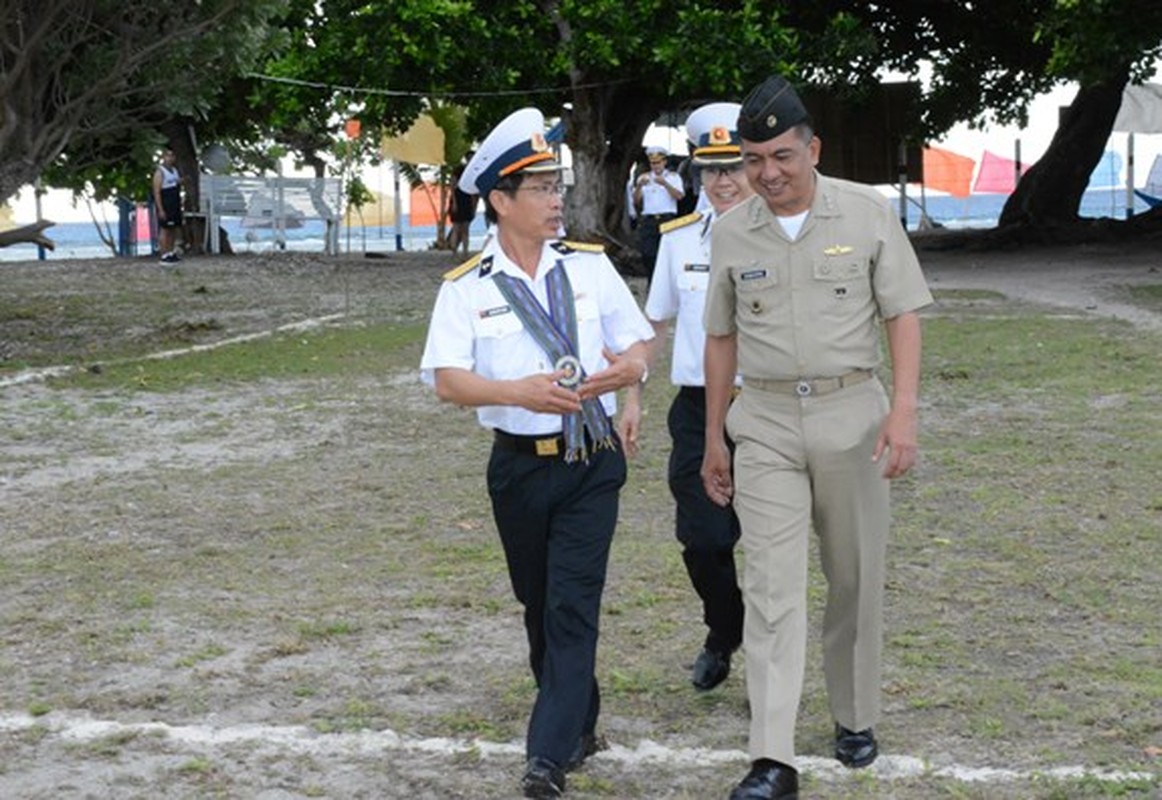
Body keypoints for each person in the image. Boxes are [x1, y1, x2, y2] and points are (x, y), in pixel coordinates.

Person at [700, 75, 934, 800]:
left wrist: (903, 412)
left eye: (781, 156)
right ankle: (772, 757)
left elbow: (903, 314)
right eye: (752, 159)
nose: (767, 173)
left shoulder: (866, 213)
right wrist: (714, 436)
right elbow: (720, 336)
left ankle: (854, 714)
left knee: (853, 577)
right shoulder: (733, 229)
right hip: (764, 423)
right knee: (771, 587)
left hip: (851, 416)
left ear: (812, 149)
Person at [419, 107, 654, 799]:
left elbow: (638, 343)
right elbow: (447, 380)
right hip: (518, 467)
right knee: (538, 602)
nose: (558, 201)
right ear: (500, 200)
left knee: (572, 606)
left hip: (592, 460)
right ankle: (577, 714)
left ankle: (546, 758)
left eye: (558, 186)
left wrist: (629, 374)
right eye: (542, 189)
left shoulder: (590, 269)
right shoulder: (466, 286)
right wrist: (515, 391)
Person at [618, 102, 749, 694]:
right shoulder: (677, 242)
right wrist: (633, 396)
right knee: (703, 540)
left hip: (766, 407)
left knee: (773, 549)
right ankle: (724, 631)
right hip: (697, 410)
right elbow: (657, 325)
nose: (723, 181)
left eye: (734, 166)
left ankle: (770, 671)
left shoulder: (782, 239)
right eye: (711, 169)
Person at [631, 145, 684, 285]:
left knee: (668, 254)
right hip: (649, 220)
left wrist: (665, 184)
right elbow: (636, 201)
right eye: (653, 163)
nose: (655, 166)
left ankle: (668, 284)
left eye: (658, 162)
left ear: (664, 162)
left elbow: (679, 196)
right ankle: (652, 283)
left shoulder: (673, 177)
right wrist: (639, 186)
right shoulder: (645, 178)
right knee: (648, 254)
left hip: (667, 219)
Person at [152, 149, 183, 263]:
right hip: (165, 202)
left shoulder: (174, 170)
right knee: (165, 229)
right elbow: (156, 191)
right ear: (163, 157)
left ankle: (170, 252)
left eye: (172, 156)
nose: (170, 158)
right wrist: (160, 209)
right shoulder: (160, 172)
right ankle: (163, 254)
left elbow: (175, 182)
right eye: (167, 156)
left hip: (174, 201)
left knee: (173, 229)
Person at [447, 163, 477, 256]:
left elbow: (452, 191)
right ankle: (464, 251)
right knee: (464, 230)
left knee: (457, 228)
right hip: (465, 202)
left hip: (461, 202)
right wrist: (473, 205)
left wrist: (454, 204)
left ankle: (456, 251)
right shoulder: (468, 178)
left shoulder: (455, 178)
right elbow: (472, 194)